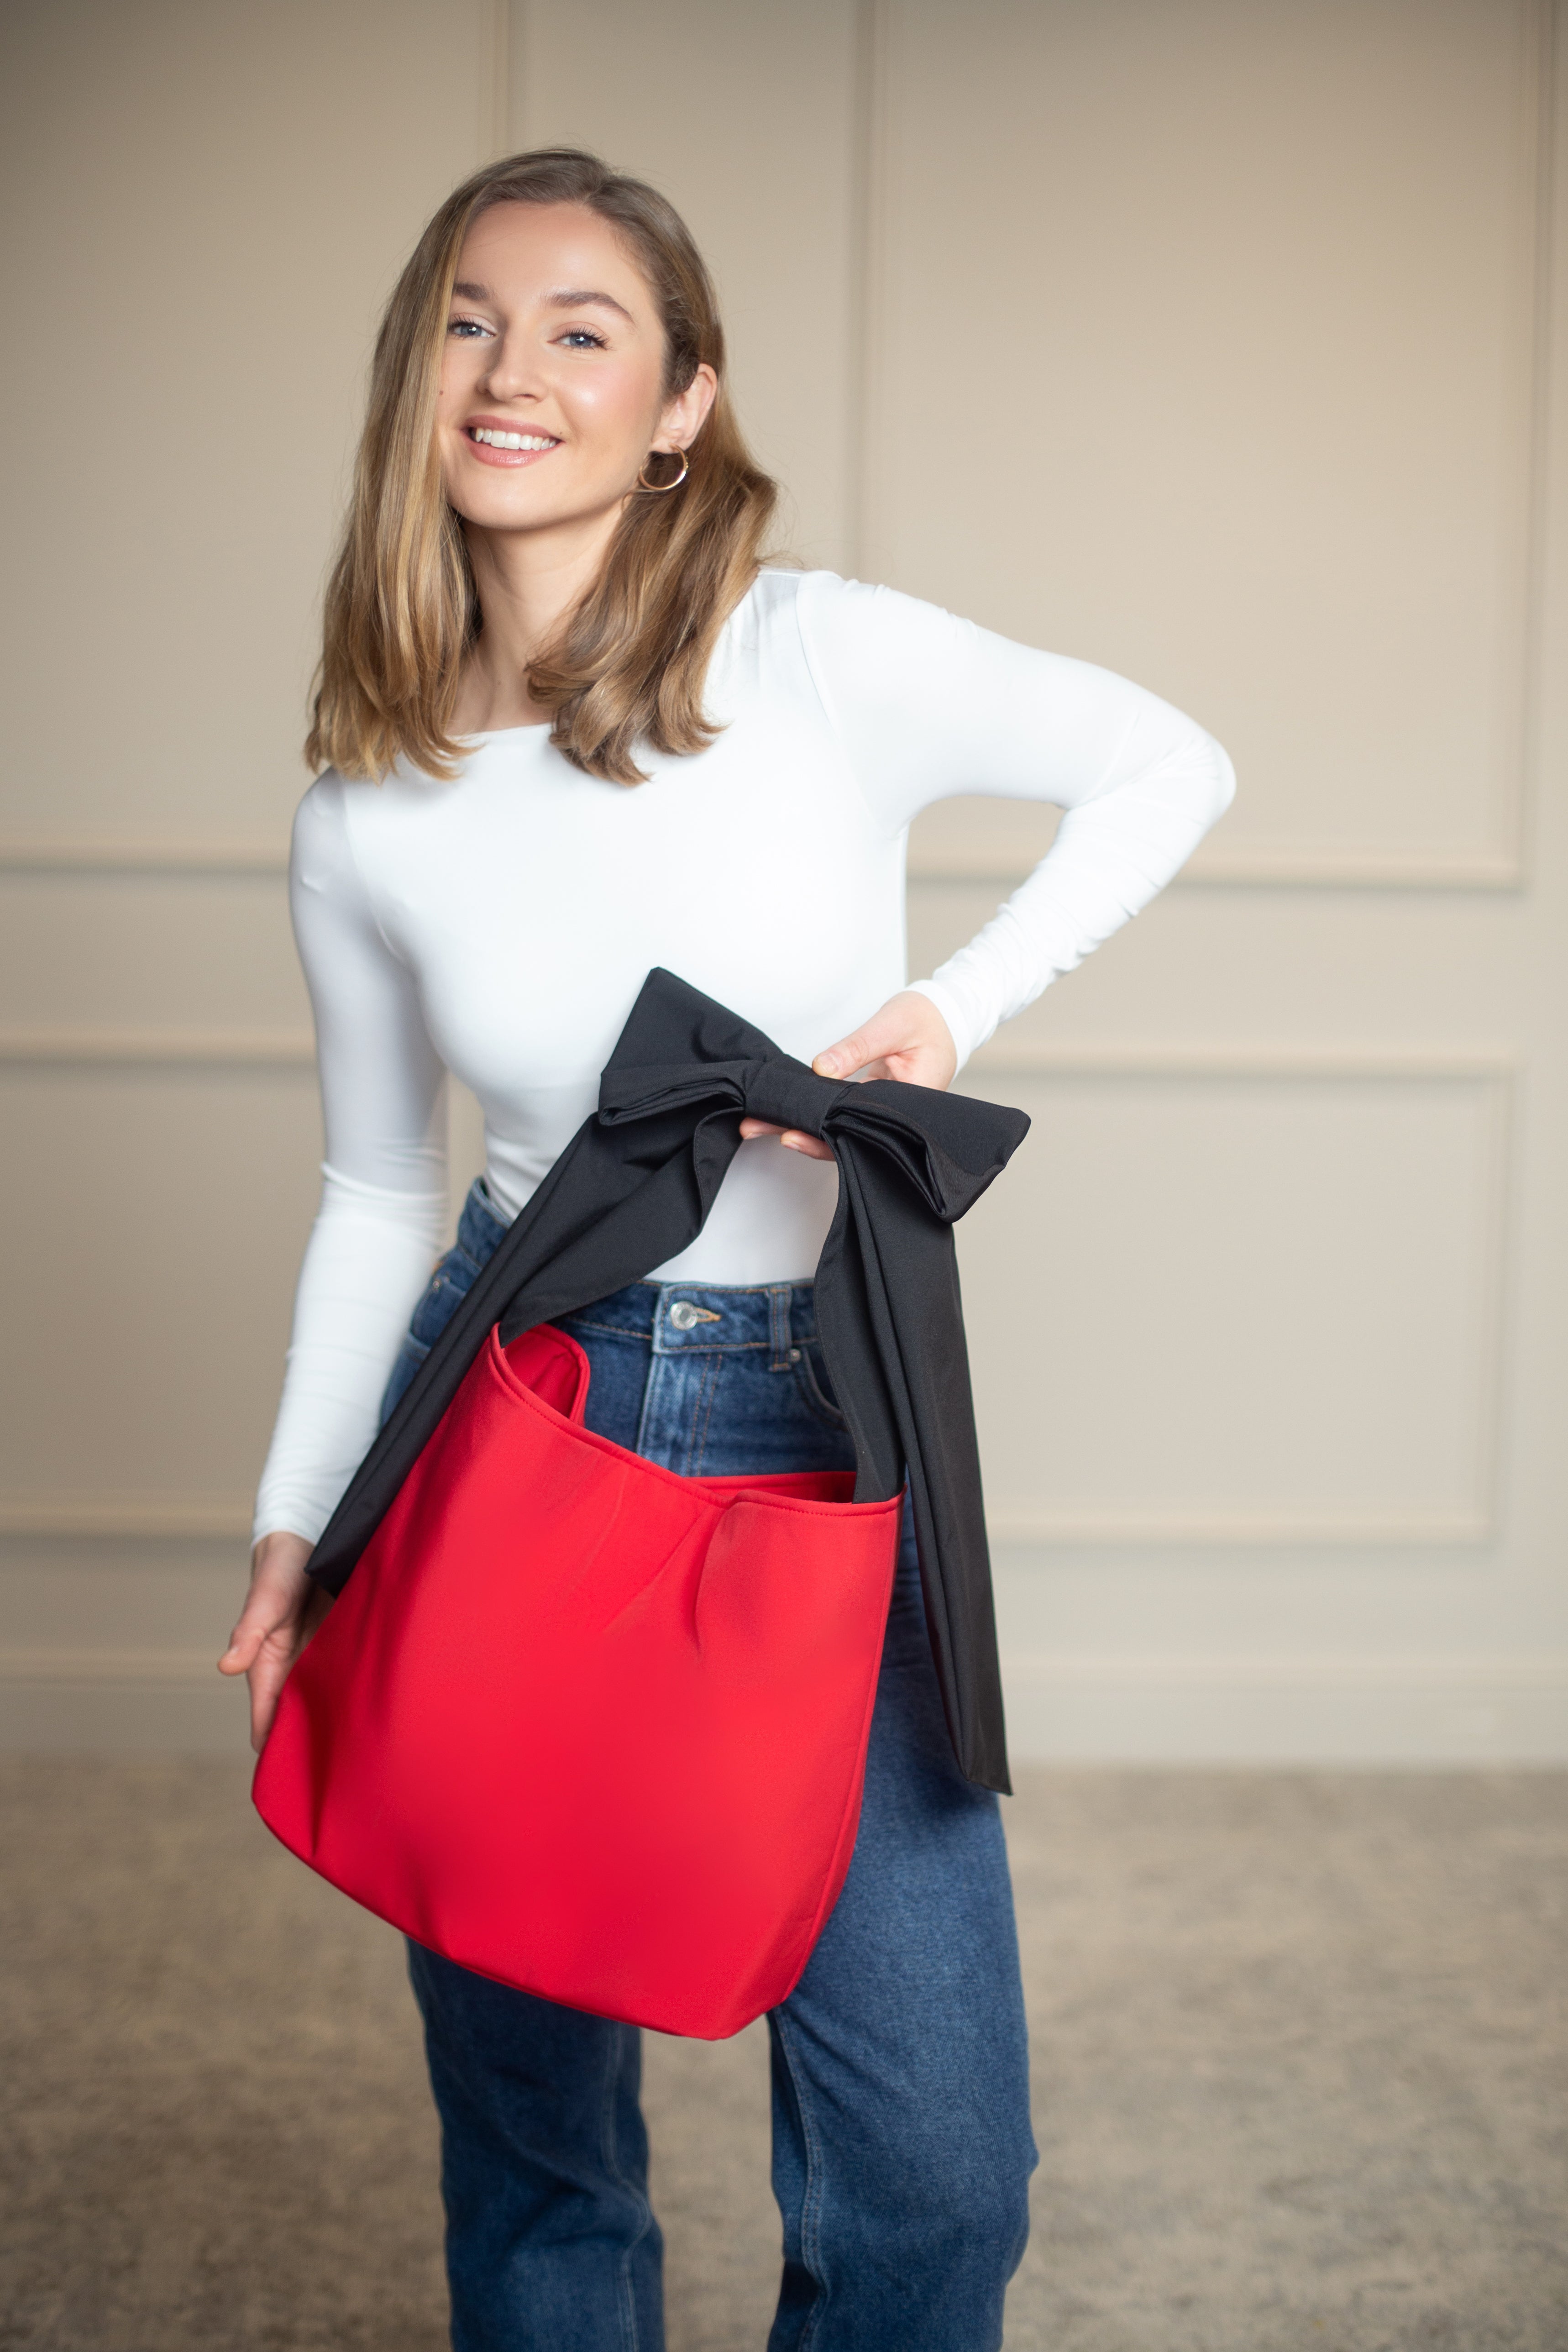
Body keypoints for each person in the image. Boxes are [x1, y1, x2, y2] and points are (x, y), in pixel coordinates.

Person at [220, 147, 1234, 2352]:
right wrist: (302, 1514)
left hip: (818, 1413)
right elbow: (379, 1186)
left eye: (581, 329)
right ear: (414, 375)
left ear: (681, 401)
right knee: (537, 2147)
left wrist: (948, 1007)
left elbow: (1169, 763)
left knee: (934, 2174)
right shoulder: (366, 807)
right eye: (469, 320)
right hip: (516, 1403)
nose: (513, 369)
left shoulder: (819, 653)